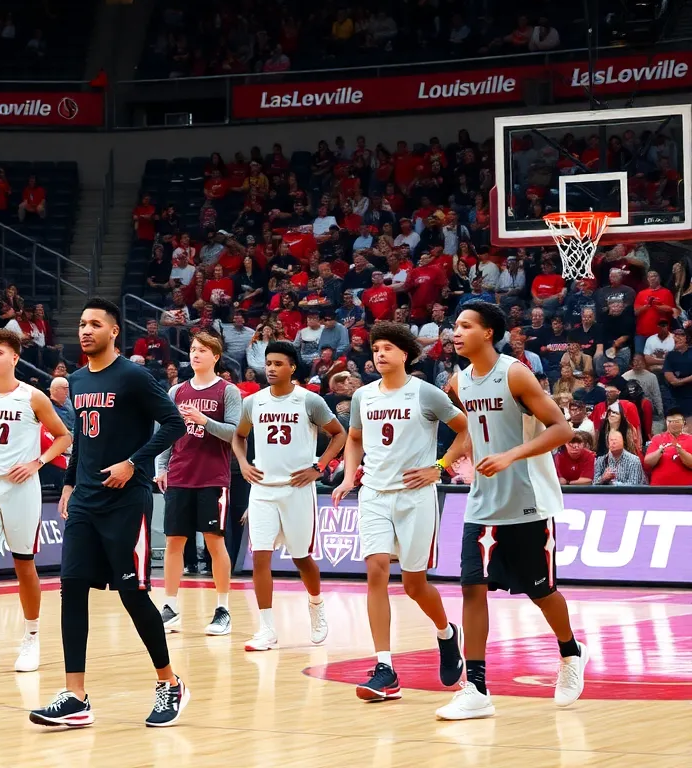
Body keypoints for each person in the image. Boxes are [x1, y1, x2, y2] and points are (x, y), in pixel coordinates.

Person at [28, 298, 189, 729]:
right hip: (84, 500)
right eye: (81, 323)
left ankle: (169, 682)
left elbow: (173, 424)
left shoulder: (134, 376)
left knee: (132, 594)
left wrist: (134, 462)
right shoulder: (76, 379)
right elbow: (82, 435)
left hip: (125, 501)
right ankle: (76, 696)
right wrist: (67, 483)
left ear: (113, 331)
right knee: (71, 588)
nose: (85, 330)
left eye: (95, 324)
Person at [438, 301, 586, 721]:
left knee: (541, 592)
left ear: (488, 333)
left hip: (527, 501)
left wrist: (511, 455)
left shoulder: (514, 372)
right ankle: (477, 687)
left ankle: (570, 652)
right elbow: (472, 432)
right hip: (482, 502)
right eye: (455, 326)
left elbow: (562, 428)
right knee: (472, 588)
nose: (456, 332)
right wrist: (447, 465)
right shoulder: (458, 381)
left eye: (465, 326)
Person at [332, 321, 468, 702]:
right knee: (375, 570)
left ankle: (445, 632)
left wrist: (439, 467)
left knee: (413, 584)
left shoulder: (426, 393)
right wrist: (347, 477)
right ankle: (385, 668)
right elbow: (355, 439)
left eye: (388, 348)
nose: (379, 354)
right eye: (376, 349)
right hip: (374, 492)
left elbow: (465, 429)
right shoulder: (362, 397)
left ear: (405, 354)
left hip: (415, 495)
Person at [0, 329, 72, 675]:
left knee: (24, 565)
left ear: (14, 358)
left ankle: (31, 638)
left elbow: (65, 437)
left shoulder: (34, 397)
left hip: (21, 489)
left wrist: (37, 461)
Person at [232, 341, 347, 651]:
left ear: (292, 367)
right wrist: (243, 464)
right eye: (268, 363)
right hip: (263, 490)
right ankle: (266, 629)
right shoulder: (253, 402)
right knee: (260, 558)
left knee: (301, 557)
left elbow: (340, 435)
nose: (270, 368)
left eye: (278, 363)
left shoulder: (309, 401)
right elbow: (239, 437)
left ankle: (316, 606)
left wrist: (319, 467)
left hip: (297, 490)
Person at [154, 332, 243, 636]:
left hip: (212, 477)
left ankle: (223, 608)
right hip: (179, 474)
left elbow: (233, 433)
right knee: (174, 542)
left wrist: (204, 420)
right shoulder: (177, 390)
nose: (195, 354)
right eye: (193, 349)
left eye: (202, 350)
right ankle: (170, 607)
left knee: (213, 541)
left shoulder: (228, 391)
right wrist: (161, 465)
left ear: (216, 356)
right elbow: (167, 431)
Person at [643, 409, 692, 485]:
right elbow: (647, 464)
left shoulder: (690, 439)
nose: (673, 424)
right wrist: (660, 451)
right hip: (659, 489)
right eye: (670, 421)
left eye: (677, 421)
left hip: (685, 490)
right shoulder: (657, 438)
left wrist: (680, 451)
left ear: (683, 422)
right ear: (666, 422)